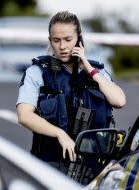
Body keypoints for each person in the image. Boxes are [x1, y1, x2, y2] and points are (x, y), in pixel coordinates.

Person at [16, 11, 126, 173]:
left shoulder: (98, 72)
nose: (62, 46)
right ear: (50, 41)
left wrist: (88, 68)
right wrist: (60, 134)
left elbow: (119, 101)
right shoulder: (37, 72)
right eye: (56, 40)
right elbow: (24, 116)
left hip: (93, 165)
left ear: (79, 40)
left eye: (68, 40)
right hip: (50, 164)